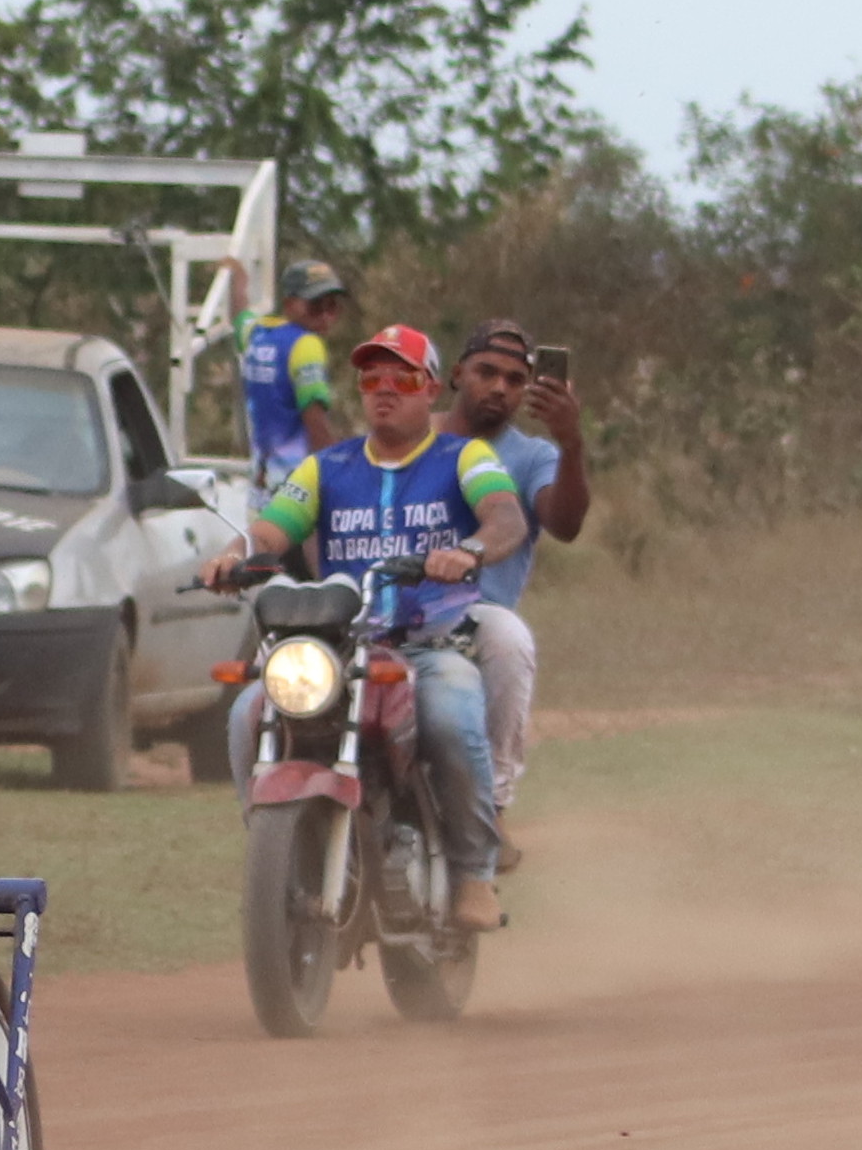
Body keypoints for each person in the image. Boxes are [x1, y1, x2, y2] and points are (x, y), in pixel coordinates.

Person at [196, 323, 524, 932]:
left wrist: (471, 551)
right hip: (341, 651)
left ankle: (474, 874)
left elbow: (505, 516)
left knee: (452, 715)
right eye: (372, 377)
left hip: (429, 645)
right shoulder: (326, 467)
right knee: (248, 713)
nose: (384, 389)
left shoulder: (464, 458)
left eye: (402, 378)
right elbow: (269, 530)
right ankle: (278, 854)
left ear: (432, 389)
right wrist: (232, 556)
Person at [444, 323, 592, 848]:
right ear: (457, 374)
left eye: (515, 379)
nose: (499, 388)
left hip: (476, 619)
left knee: (509, 641)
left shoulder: (532, 457)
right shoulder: (416, 438)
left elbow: (565, 524)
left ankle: (494, 803)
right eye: (486, 372)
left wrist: (570, 443)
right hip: (396, 610)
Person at [237, 257, 351, 487]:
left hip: (260, 488)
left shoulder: (256, 334)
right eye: (315, 306)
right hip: (295, 489)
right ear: (289, 304)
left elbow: (239, 316)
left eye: (332, 306)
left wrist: (236, 274)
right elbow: (316, 425)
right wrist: (339, 480)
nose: (326, 317)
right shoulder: (306, 345)